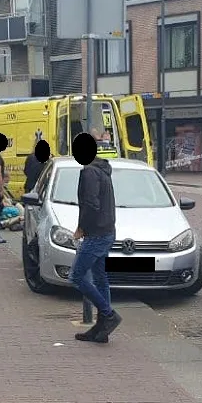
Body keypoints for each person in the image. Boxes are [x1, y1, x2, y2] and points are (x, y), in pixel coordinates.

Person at [70, 132, 121, 344]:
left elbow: (91, 204)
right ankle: (102, 327)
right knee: (100, 277)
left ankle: (108, 315)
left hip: (96, 233)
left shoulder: (90, 172)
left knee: (76, 276)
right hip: (107, 231)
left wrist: (81, 227)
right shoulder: (103, 170)